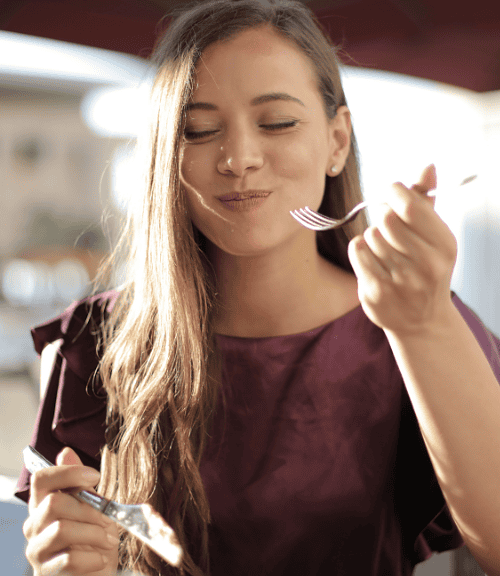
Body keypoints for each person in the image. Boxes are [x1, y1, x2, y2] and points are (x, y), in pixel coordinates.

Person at [15, 0, 500, 575]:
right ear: (168, 156)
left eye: (277, 122)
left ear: (337, 141)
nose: (239, 158)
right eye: (198, 130)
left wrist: (424, 325)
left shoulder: (417, 322)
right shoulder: (95, 342)